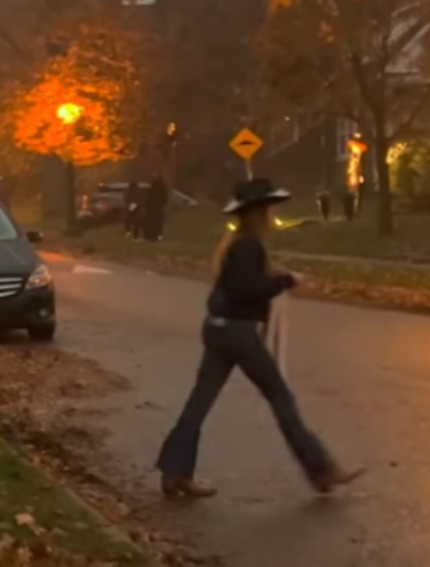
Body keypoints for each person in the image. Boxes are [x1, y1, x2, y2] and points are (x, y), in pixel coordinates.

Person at [155, 177, 362, 498]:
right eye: (270, 207)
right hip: (237, 333)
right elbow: (246, 290)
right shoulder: (248, 246)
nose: (274, 212)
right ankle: (322, 469)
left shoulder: (235, 244)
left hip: (218, 328)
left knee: (199, 402)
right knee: (281, 399)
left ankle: (175, 471)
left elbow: (239, 284)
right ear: (259, 211)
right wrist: (286, 281)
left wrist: (276, 278)